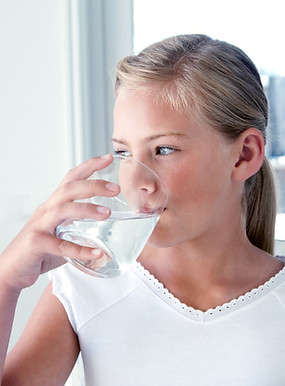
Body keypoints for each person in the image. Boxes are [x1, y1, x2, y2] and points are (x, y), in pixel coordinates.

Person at [1, 34, 285, 385]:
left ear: (245, 155)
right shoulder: (83, 289)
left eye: (164, 150)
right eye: (124, 153)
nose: (136, 180)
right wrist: (7, 281)